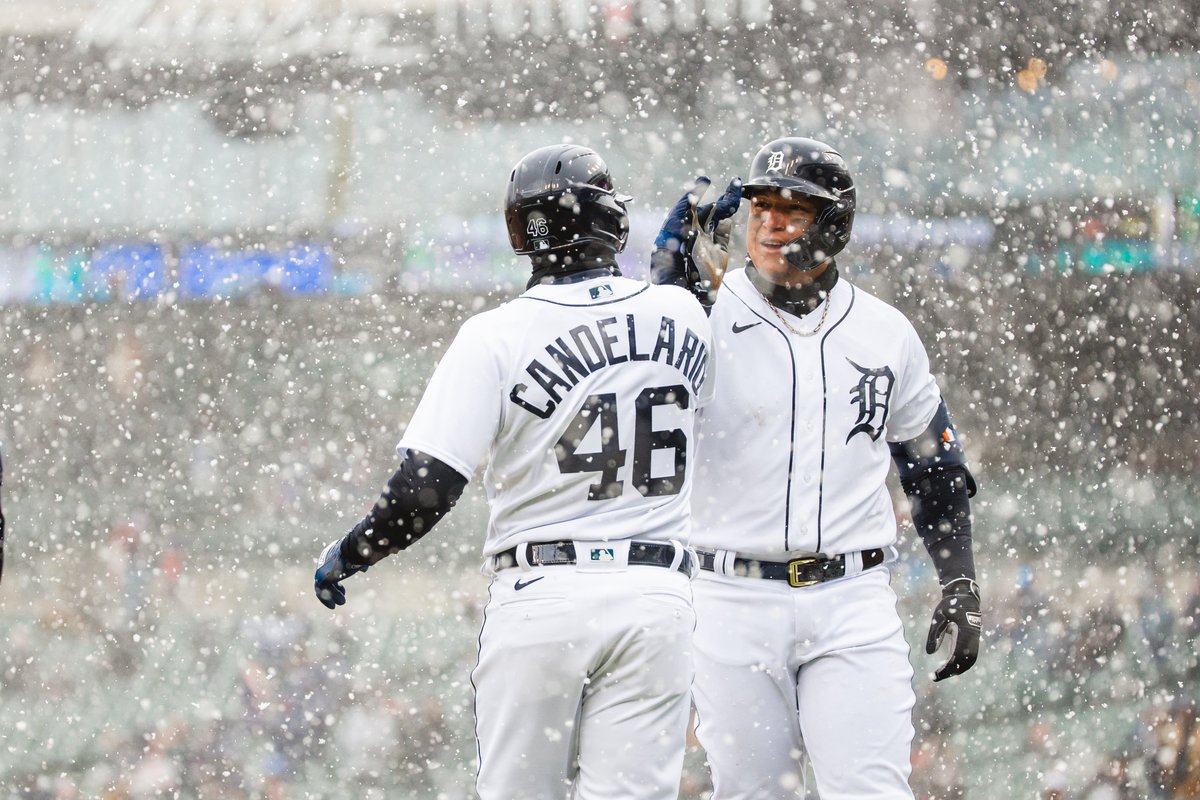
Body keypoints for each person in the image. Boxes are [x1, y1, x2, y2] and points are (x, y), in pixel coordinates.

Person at [314, 143, 714, 800]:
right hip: (656, 596)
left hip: (544, 595)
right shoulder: (683, 315)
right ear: (611, 220)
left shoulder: (496, 336)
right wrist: (681, 272)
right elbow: (692, 324)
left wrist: (355, 550)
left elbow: (424, 489)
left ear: (521, 232)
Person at [652, 136, 981, 798]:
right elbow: (643, 392)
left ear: (833, 225)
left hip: (849, 601)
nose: (768, 222)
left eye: (791, 209)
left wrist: (960, 580)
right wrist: (666, 288)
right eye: (760, 206)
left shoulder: (886, 332)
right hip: (730, 600)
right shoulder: (703, 316)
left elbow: (934, 472)